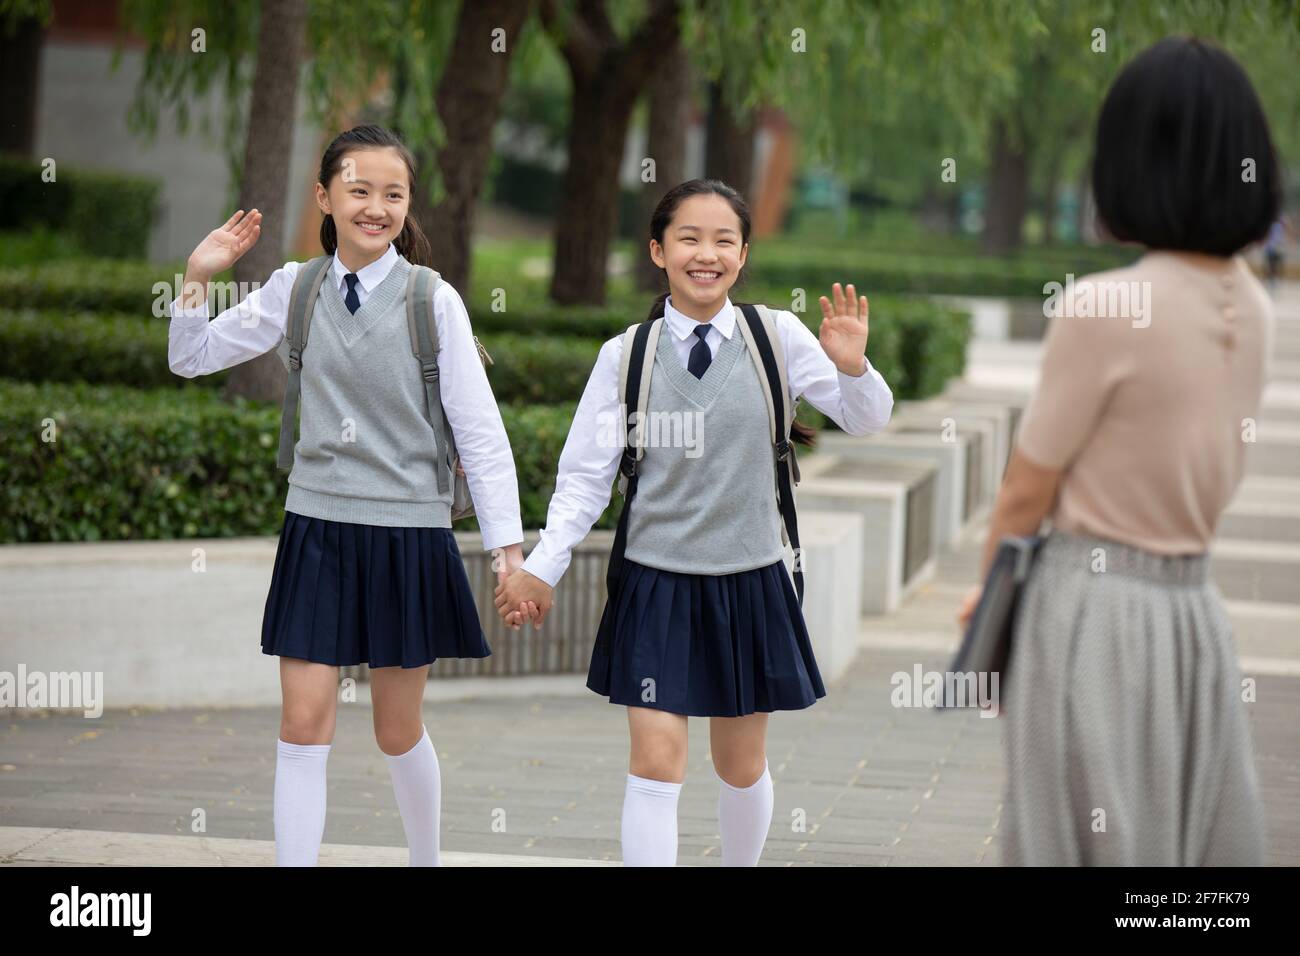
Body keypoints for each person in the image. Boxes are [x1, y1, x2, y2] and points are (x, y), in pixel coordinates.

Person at [494, 179, 894, 865]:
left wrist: (853, 368)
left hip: (750, 580)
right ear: (657, 250)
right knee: (654, 763)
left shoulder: (778, 337)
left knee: (740, 764)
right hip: (655, 585)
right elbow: (585, 477)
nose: (705, 254)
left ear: (742, 255)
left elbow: (866, 418)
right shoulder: (627, 356)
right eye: (688, 238)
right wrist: (541, 564)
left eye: (723, 241)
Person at [958, 36, 1280, 866]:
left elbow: (1028, 488)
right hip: (1192, 614)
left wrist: (989, 605)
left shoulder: (1107, 305)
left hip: (1090, 607)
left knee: (1073, 838)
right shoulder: (1254, 303)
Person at [167, 124, 527, 866]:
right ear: (325, 196)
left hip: (408, 533)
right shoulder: (293, 289)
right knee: (302, 724)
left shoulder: (434, 301)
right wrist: (198, 276)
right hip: (317, 528)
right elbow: (191, 356)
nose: (376, 207)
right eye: (359, 190)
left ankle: (425, 861)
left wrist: (507, 552)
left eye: (393, 193)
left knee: (397, 730)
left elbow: (482, 434)